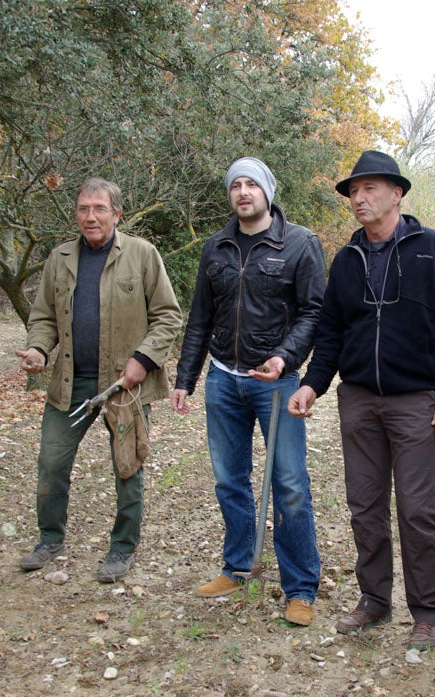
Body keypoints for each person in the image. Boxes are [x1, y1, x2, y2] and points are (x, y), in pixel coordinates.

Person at [289, 150, 435, 651]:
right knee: (364, 507)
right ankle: (374, 599)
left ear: (397, 193)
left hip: (417, 400)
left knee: (417, 511)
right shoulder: (347, 260)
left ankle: (431, 612)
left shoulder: (434, 251)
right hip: (358, 400)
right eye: (354, 190)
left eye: (370, 188)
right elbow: (331, 331)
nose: (360, 198)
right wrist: (312, 384)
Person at [172, 157, 324, 627]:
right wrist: (185, 378)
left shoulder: (299, 244)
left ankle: (300, 587)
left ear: (268, 192)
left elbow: (315, 312)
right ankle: (238, 567)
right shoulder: (216, 247)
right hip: (222, 377)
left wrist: (286, 356)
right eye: (235, 185)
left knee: (291, 484)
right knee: (229, 479)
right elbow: (199, 317)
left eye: (251, 184)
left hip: (274, 381)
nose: (243, 192)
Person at [16, 177, 183, 583]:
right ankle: (49, 539)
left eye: (99, 209)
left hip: (123, 388)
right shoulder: (59, 258)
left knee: (128, 468)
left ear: (117, 213)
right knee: (50, 464)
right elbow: (42, 317)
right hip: (69, 384)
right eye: (83, 209)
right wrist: (39, 349)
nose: (91, 217)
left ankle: (123, 548)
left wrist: (143, 360)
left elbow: (168, 315)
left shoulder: (142, 254)